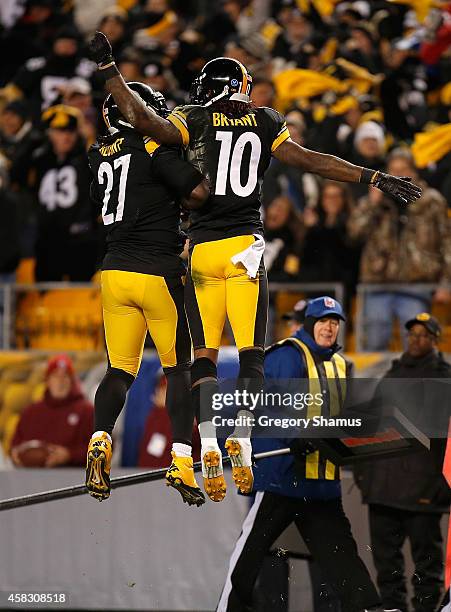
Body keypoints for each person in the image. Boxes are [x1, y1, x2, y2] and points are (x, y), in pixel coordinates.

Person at [88, 30, 422, 504]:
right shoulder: (264, 120)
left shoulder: (189, 118)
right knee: (251, 355)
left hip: (202, 250)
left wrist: (110, 71)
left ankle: (204, 444)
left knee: (201, 356)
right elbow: (310, 160)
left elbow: (141, 120)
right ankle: (240, 441)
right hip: (245, 246)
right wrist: (372, 175)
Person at [217, 297, 387, 612]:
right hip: (284, 476)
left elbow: (340, 417)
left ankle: (368, 608)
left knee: (341, 554)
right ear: (309, 324)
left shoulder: (340, 364)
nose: (330, 328)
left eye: (335, 323)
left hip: (320, 481)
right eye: (323, 321)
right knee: (251, 553)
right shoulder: (286, 355)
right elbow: (268, 404)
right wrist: (295, 435)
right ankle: (228, 608)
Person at [85, 82, 210, 506]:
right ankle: (181, 458)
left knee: (119, 371)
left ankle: (99, 437)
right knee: (178, 370)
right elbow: (196, 191)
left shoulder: (96, 155)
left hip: (114, 273)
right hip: (158, 270)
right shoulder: (153, 147)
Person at [354, 313, 451, 612]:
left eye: (424, 334)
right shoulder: (392, 375)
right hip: (383, 490)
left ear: (435, 340)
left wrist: (440, 486)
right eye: (412, 334)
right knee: (387, 567)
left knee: (427, 569)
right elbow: (370, 427)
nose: (417, 339)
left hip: (423, 491)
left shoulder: (444, 378)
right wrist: (364, 476)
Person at [348, 147, 451, 351]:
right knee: (373, 345)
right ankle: (374, 385)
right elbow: (354, 234)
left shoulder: (431, 201)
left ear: (414, 171)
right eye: (393, 170)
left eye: (404, 169)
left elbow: (447, 243)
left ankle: (415, 384)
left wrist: (446, 283)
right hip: (378, 285)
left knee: (418, 344)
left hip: (416, 286)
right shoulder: (376, 200)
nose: (399, 175)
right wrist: (371, 203)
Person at [10, 354, 93, 468]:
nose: (60, 381)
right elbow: (15, 445)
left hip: (75, 477)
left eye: (65, 376)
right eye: (55, 376)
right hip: (32, 478)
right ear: (48, 381)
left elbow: (104, 447)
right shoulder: (30, 412)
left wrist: (70, 455)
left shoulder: (87, 412)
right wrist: (15, 454)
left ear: (72, 381)